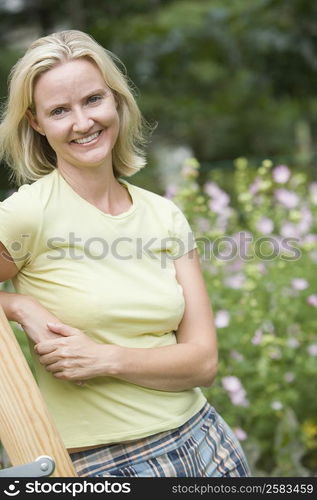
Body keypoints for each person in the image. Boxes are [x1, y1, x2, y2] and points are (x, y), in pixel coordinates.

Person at [0, 30, 250, 477]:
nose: (82, 122)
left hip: (207, 444)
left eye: (93, 100)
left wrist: (104, 358)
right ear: (37, 123)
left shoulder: (164, 215)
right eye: (60, 110)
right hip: (105, 465)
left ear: (116, 101)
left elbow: (203, 360)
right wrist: (19, 305)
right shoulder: (27, 214)